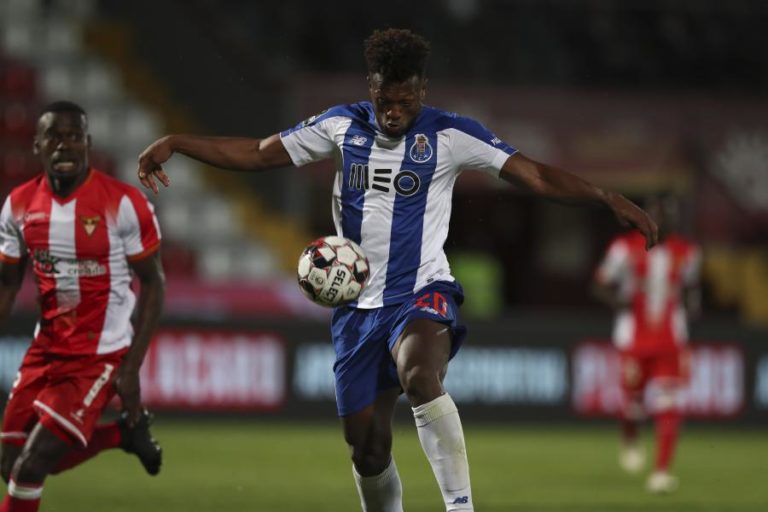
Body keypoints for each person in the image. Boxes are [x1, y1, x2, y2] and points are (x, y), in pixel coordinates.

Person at [137, 28, 657, 512]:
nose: (393, 112)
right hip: (356, 310)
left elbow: (535, 175)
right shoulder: (341, 126)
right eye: (386, 100)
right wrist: (179, 142)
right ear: (372, 87)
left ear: (422, 91)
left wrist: (605, 197)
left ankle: (461, 506)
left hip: (422, 292)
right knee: (366, 448)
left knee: (419, 375)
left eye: (406, 101)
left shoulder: (451, 135)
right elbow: (257, 152)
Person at [0, 101, 165, 512]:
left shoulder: (123, 203)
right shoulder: (18, 206)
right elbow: (7, 284)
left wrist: (130, 365)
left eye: (74, 136)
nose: (65, 145)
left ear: (88, 144)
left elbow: (153, 283)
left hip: (99, 354)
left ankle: (119, 433)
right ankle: (121, 436)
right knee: (10, 463)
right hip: (46, 350)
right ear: (36, 144)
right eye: (54, 136)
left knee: (31, 467)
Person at [592, 193, 701, 494]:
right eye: (656, 213)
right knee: (633, 406)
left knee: (669, 403)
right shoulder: (624, 248)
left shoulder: (686, 252)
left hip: (670, 339)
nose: (662, 220)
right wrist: (620, 303)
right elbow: (599, 284)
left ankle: (661, 472)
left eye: (668, 214)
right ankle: (630, 437)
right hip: (633, 338)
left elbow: (692, 287)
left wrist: (693, 306)